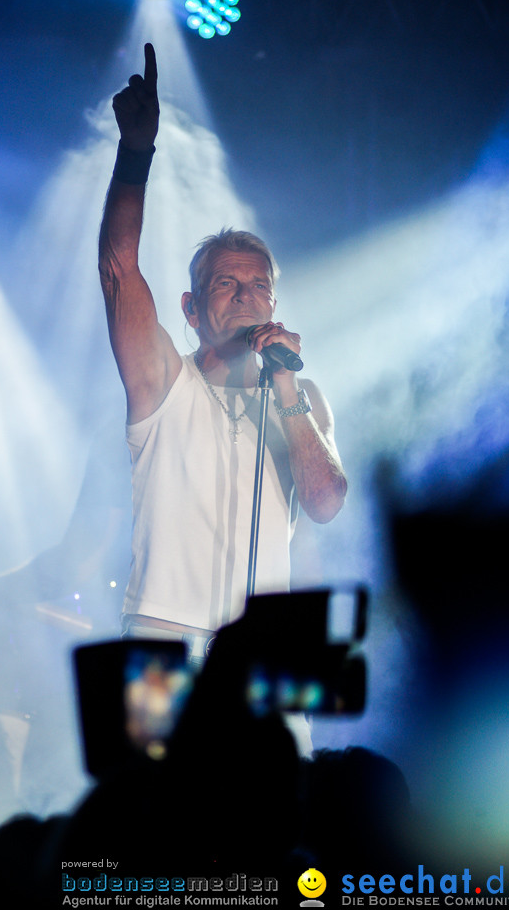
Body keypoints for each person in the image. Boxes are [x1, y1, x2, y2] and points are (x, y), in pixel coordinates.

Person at [99, 43, 347, 660]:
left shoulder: (301, 395)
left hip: (267, 649)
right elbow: (117, 268)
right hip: (163, 637)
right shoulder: (163, 379)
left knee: (292, 764)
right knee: (154, 764)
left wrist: (286, 388)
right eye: (226, 284)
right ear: (190, 308)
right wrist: (136, 153)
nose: (246, 297)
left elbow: (324, 503)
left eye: (260, 286)